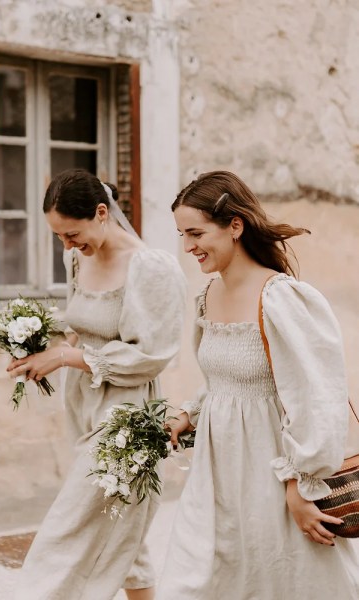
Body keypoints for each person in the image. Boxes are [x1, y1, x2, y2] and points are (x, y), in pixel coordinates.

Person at [158, 170, 359, 599]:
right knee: (202, 577)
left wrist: (301, 486)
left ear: (235, 225)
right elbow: (222, 381)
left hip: (273, 469)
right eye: (181, 234)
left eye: (196, 232)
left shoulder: (282, 298)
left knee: (284, 577)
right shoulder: (207, 296)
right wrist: (188, 415)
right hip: (219, 471)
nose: (188, 245)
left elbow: (314, 398)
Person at [8, 168, 187, 600]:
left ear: (102, 212)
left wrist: (67, 357)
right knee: (121, 525)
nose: (67, 246)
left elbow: (153, 355)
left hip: (126, 416)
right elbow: (81, 329)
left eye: (71, 233)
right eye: (59, 237)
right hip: (83, 404)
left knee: (69, 528)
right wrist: (43, 350)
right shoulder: (78, 258)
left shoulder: (150, 267)